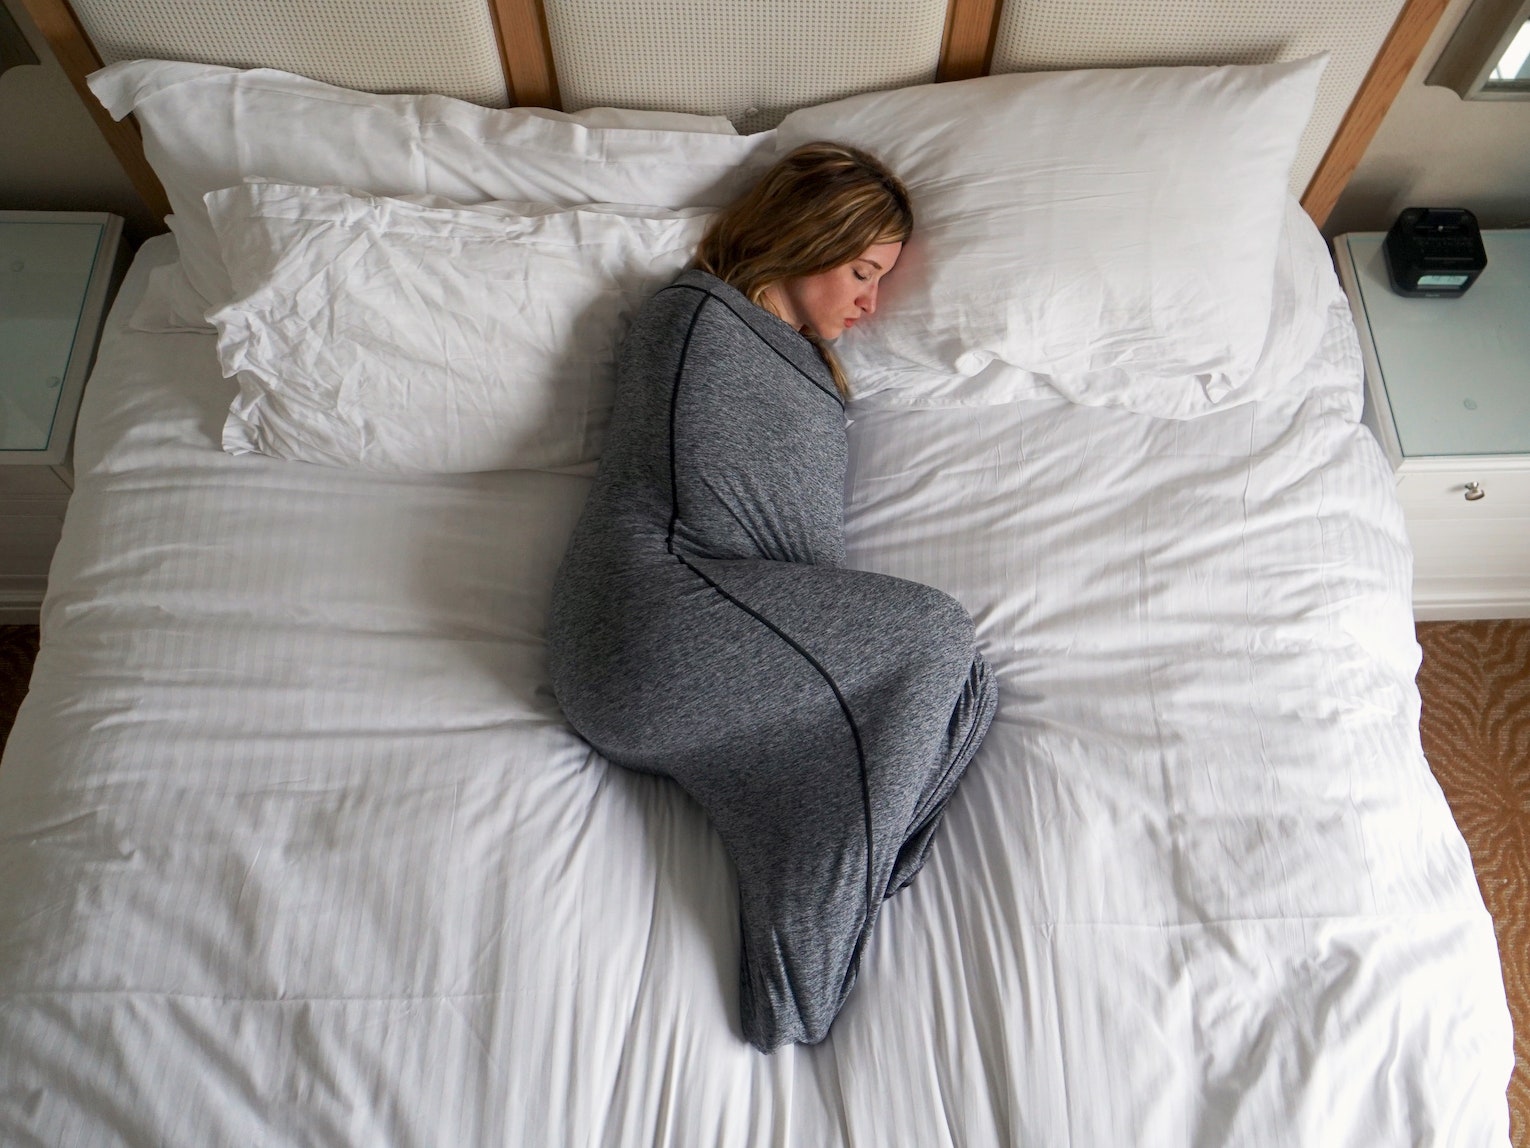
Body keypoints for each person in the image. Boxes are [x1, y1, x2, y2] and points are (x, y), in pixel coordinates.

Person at [547, 142, 997, 1052]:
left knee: (966, 693)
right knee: (935, 638)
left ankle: (832, 881)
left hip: (707, 643)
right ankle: (805, 957)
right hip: (654, 621)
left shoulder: (795, 360)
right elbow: (706, 501)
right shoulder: (695, 316)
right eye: (863, 271)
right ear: (804, 237)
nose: (873, 302)